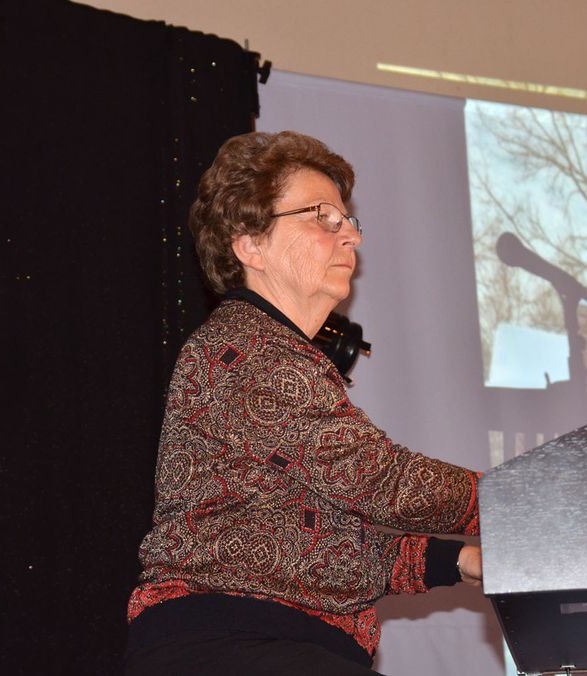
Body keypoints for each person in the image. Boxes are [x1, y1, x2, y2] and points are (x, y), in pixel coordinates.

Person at [124, 131, 482, 675]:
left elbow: (320, 545)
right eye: (323, 218)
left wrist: (457, 561)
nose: (351, 239)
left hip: (270, 645)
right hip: (233, 645)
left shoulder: (280, 355)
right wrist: (514, 505)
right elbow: (378, 481)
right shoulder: (246, 351)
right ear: (250, 244)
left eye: (350, 222)